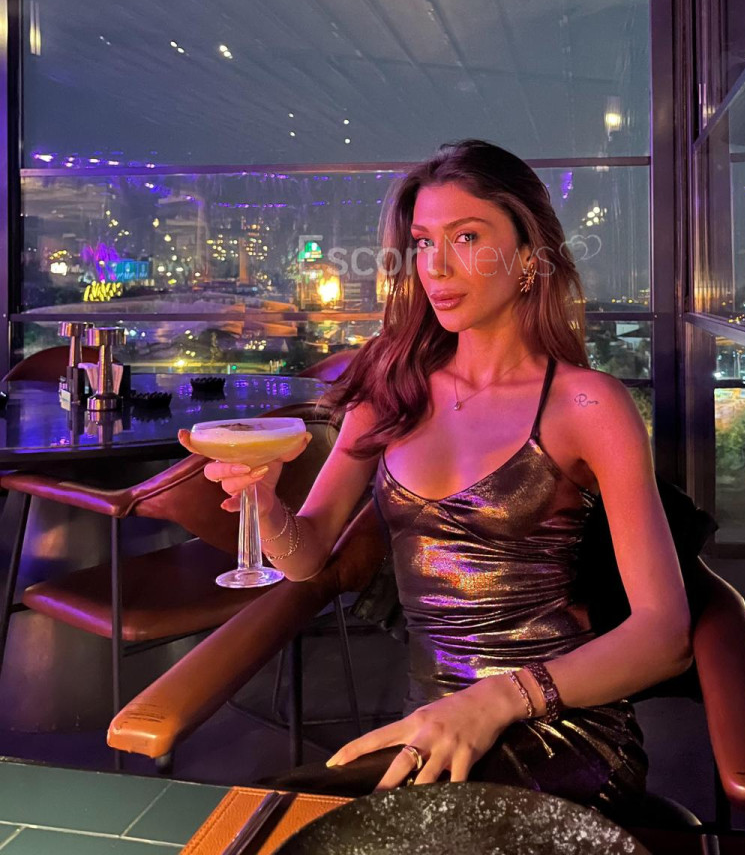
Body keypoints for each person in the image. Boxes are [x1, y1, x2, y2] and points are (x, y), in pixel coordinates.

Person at [179, 138, 690, 811]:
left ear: (529, 256)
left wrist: (495, 701)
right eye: (422, 242)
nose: (436, 266)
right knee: (269, 820)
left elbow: (665, 636)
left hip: (557, 729)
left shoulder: (587, 405)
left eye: (467, 237)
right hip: (429, 731)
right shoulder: (389, 386)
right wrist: (267, 505)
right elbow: (304, 558)